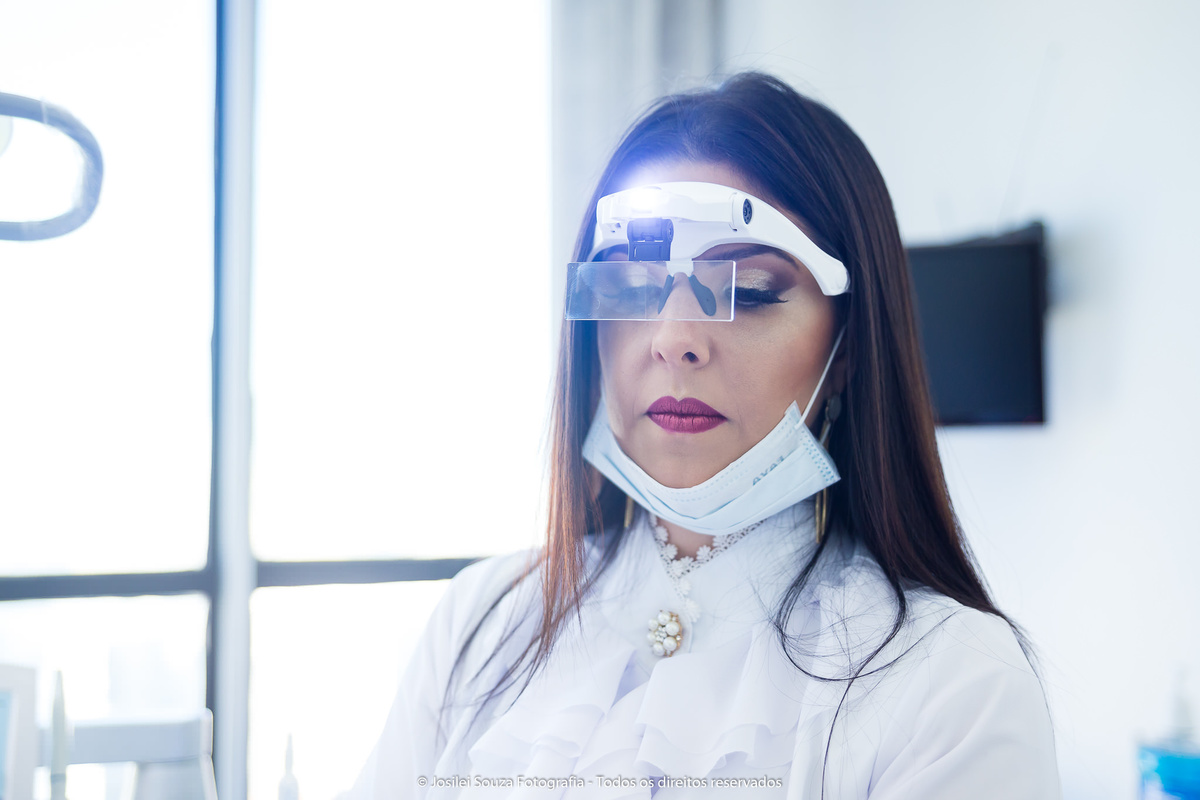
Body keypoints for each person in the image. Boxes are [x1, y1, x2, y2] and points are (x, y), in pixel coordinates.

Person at [347, 72, 1060, 798]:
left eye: (746, 292)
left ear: (846, 353)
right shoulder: (482, 622)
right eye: (629, 284)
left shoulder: (950, 685)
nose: (674, 339)